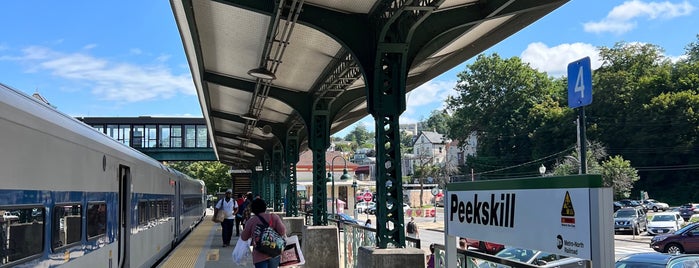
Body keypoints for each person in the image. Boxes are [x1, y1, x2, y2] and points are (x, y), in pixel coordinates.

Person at [241, 198, 286, 268]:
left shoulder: (251, 221)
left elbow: (244, 237)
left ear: (253, 209)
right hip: (274, 252)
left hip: (259, 255)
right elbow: (282, 231)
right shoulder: (274, 217)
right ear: (265, 207)